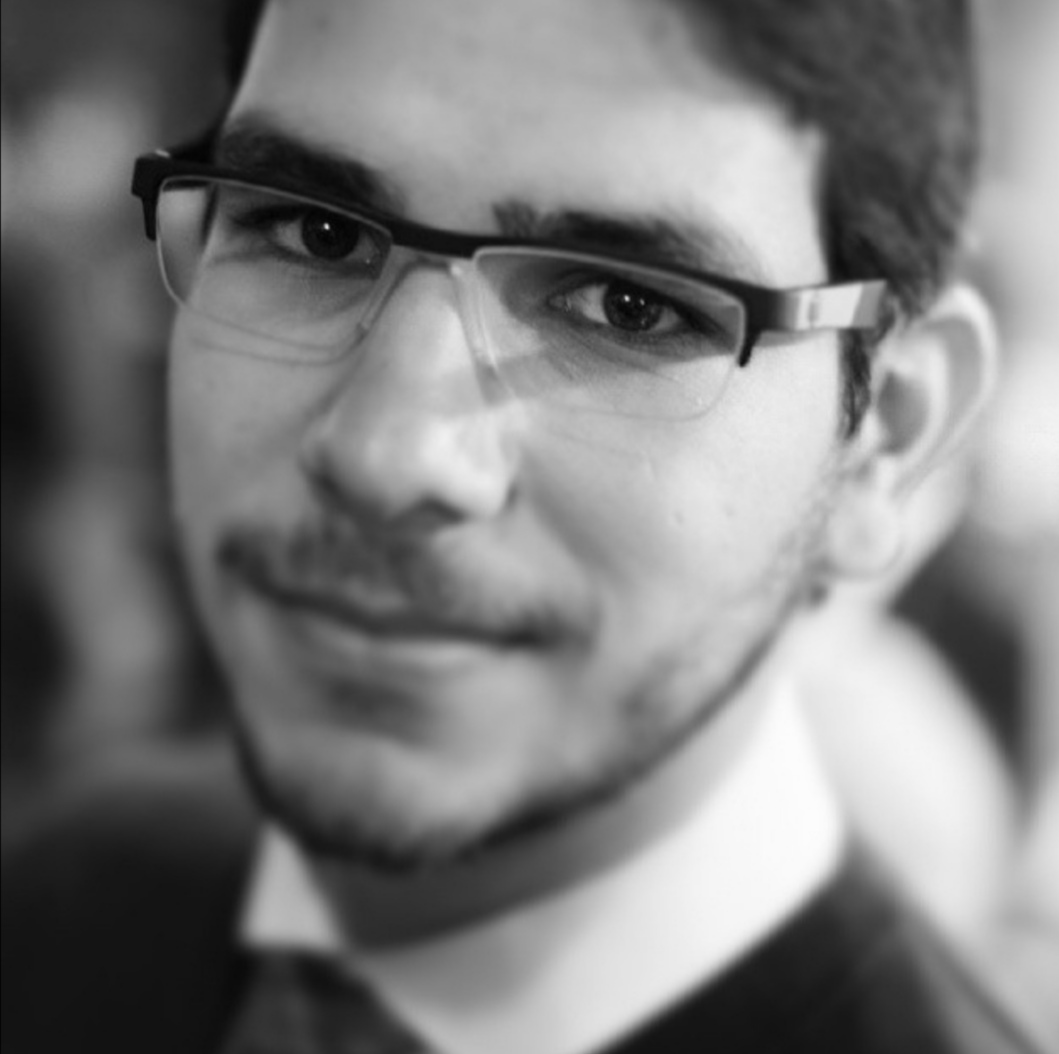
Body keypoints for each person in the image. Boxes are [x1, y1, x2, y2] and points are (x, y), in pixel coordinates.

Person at [2, 1, 1043, 1051]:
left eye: (627, 306)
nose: (386, 455)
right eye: (314, 231)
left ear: (886, 437)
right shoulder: (66, 905)